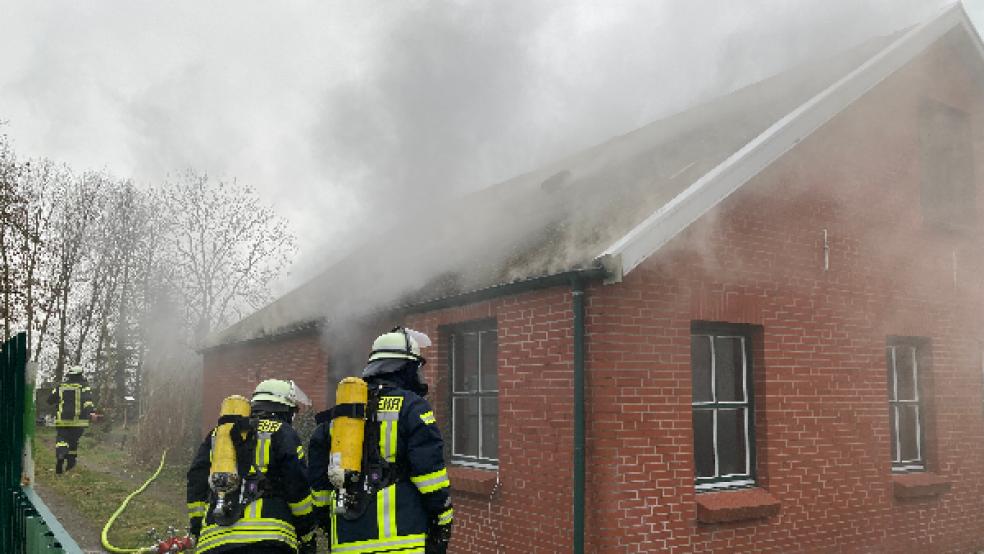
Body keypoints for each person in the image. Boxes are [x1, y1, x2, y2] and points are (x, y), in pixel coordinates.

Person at [308, 327, 453, 554]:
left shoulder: (341, 414)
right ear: (406, 368)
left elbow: (319, 486)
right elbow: (430, 476)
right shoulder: (413, 407)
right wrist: (443, 520)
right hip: (401, 543)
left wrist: (328, 523)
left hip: (347, 543)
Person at [186, 379, 317, 553]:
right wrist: (306, 533)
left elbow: (196, 481)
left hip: (213, 542)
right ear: (284, 408)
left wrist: (198, 526)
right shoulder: (281, 431)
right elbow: (297, 484)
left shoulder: (218, 434)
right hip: (268, 540)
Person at [46, 365, 95, 474]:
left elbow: (49, 400)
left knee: (61, 440)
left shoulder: (61, 386)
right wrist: (91, 412)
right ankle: (70, 465)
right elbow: (87, 402)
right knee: (73, 443)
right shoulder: (83, 386)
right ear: (80, 375)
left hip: (62, 421)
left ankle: (60, 455)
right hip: (78, 422)